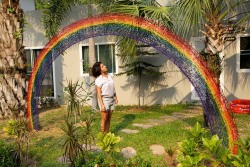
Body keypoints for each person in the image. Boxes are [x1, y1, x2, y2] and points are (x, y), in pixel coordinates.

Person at [92, 62, 118, 133]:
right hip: (104, 100)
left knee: (109, 118)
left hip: (111, 99)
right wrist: (102, 105)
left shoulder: (109, 76)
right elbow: (99, 94)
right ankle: (102, 137)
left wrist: (115, 96)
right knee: (104, 119)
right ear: (100, 69)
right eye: (103, 66)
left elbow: (113, 87)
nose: (105, 66)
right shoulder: (99, 80)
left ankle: (107, 135)